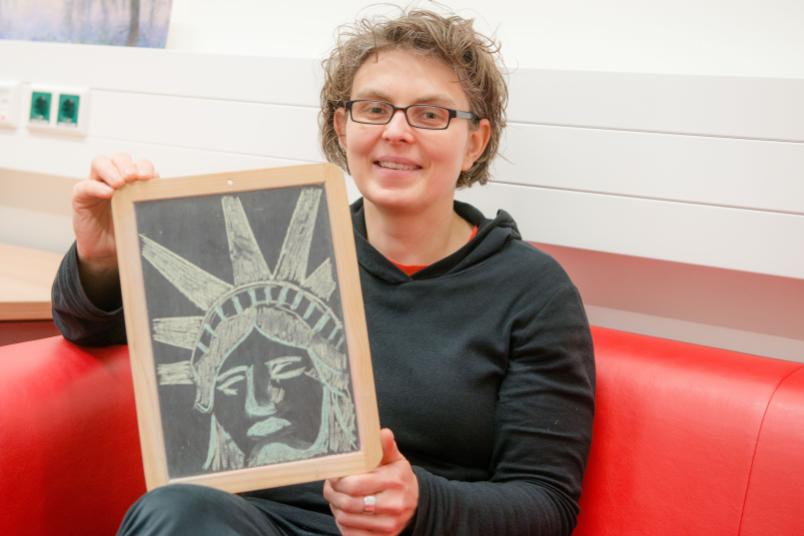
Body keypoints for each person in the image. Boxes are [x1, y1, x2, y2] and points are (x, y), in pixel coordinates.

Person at [52, 8, 595, 536]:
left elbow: (546, 505)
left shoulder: (533, 292)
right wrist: (100, 258)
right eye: (374, 108)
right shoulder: (273, 249)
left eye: (431, 114)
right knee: (177, 510)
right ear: (342, 125)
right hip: (249, 523)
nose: (397, 132)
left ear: (474, 141)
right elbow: (92, 331)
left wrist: (421, 504)